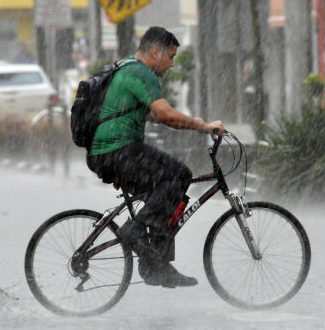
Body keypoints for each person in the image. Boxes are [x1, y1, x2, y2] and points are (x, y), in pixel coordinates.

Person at [86, 26, 224, 288]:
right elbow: (165, 114)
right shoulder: (141, 72)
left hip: (107, 153)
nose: (172, 64)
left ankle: (156, 264)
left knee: (167, 194)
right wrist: (202, 126)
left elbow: (146, 114)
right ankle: (136, 232)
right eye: (170, 56)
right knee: (178, 174)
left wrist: (179, 122)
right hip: (117, 151)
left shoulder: (126, 67)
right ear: (155, 51)